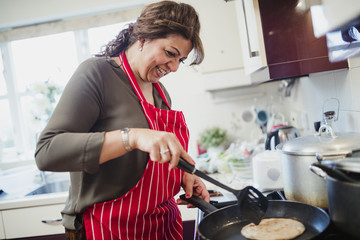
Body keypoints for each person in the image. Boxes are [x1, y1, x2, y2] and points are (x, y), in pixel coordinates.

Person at [35, 1, 210, 239]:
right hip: (109, 228)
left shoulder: (159, 91)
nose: (174, 67)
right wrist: (133, 136)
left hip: (160, 227)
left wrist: (182, 175)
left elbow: (152, 159)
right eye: (170, 53)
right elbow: (47, 152)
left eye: (180, 59)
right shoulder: (97, 74)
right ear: (143, 38)